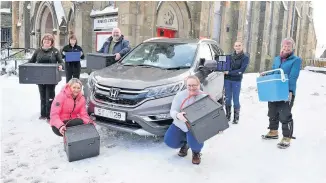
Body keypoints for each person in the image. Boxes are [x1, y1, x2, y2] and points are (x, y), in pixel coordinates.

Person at [261, 38, 302, 149]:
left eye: (289, 46)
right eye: (284, 46)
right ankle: (273, 131)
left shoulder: (296, 60)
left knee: (285, 114)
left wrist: (290, 92)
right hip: (274, 90)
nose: (286, 48)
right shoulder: (277, 59)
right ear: (282, 46)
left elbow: (293, 77)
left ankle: (287, 137)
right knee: (272, 111)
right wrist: (266, 77)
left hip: (285, 90)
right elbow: (274, 72)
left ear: (292, 47)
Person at [164, 75, 207, 165]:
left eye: (194, 85)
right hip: (180, 124)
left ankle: (196, 152)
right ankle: (186, 144)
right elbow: (173, 111)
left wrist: (216, 127)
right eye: (189, 85)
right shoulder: (180, 95)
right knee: (169, 141)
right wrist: (178, 115)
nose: (191, 88)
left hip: (195, 128)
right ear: (186, 86)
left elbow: (210, 116)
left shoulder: (204, 97)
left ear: (199, 85)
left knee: (195, 143)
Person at [28, 33, 63, 120]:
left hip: (51, 77)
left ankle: (50, 115)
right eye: (45, 40)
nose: (46, 42)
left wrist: (61, 66)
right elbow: (31, 61)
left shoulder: (55, 51)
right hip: (40, 77)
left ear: (51, 42)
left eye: (49, 41)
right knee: (42, 96)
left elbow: (61, 62)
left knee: (50, 97)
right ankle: (43, 114)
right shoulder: (38, 51)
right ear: (42, 41)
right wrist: (25, 66)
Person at [223, 41, 249, 124]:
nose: (237, 47)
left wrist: (229, 72)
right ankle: (227, 116)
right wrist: (221, 67)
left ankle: (236, 118)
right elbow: (224, 65)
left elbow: (241, 70)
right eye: (236, 46)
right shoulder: (230, 56)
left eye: (239, 45)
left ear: (242, 46)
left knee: (236, 99)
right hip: (227, 79)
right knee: (227, 98)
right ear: (234, 47)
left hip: (236, 80)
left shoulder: (245, 57)